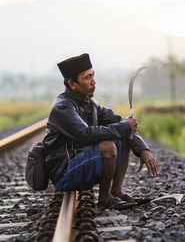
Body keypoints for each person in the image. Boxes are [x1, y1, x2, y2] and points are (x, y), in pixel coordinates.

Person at [43, 53, 158, 210]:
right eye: (87, 77)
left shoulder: (90, 104)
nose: (93, 82)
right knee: (108, 146)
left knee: (122, 134)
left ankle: (116, 191)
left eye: (93, 75)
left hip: (82, 161)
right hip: (65, 172)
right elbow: (86, 134)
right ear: (72, 84)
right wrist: (124, 127)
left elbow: (121, 123)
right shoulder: (63, 107)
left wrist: (142, 149)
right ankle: (104, 199)